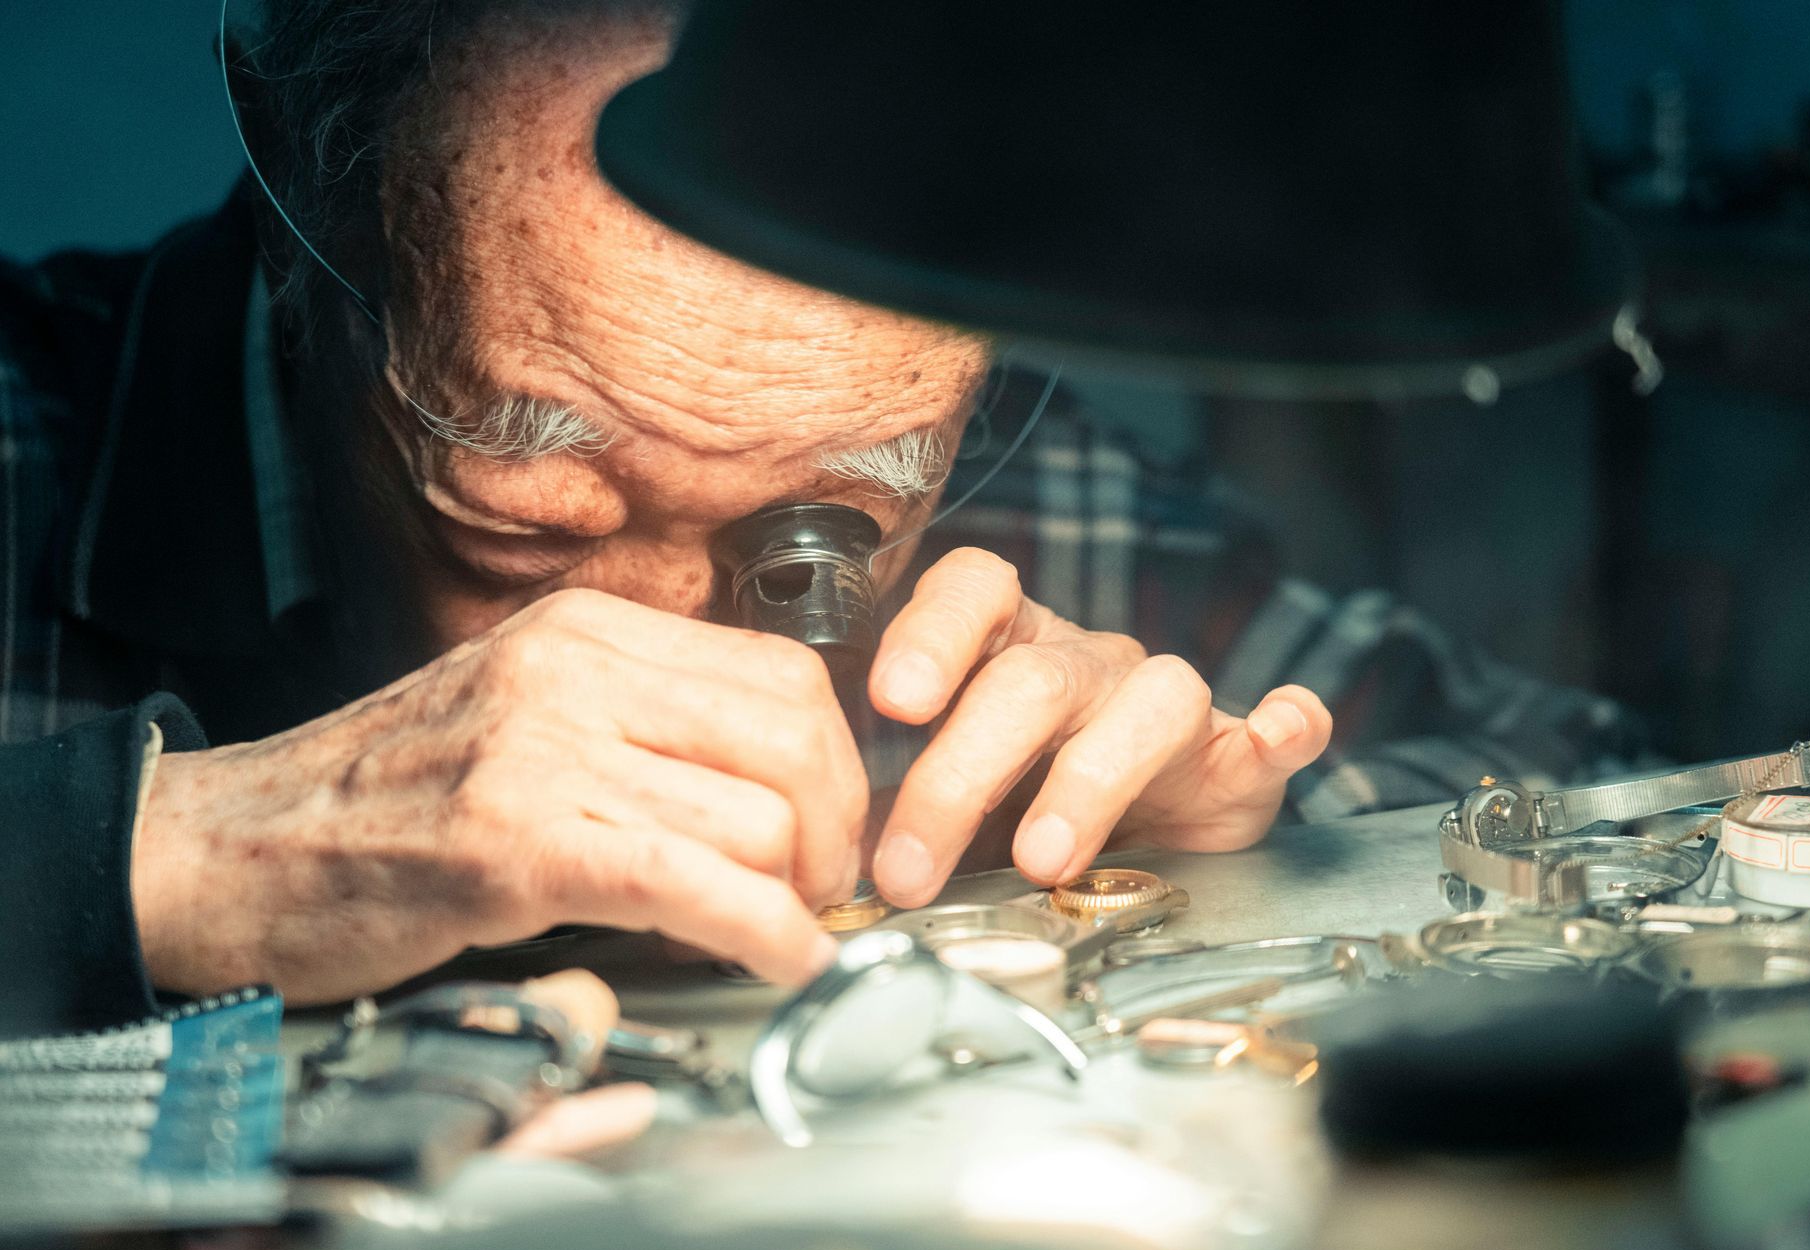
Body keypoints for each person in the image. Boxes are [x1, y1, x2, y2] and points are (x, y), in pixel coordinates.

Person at [0, 1, 1641, 1037]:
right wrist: (139, 858)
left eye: (817, 545)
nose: (657, 653)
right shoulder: (29, 455)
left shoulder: (1039, 509)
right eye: (524, 519)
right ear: (310, 236)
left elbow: (1606, 781)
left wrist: (1223, 843)